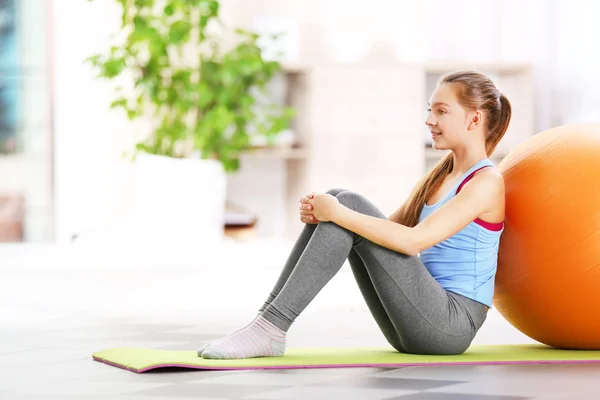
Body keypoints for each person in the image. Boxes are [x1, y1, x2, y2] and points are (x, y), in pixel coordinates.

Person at [197, 70, 511, 359]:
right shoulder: (443, 174)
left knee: (346, 205)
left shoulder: (486, 182)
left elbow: (413, 242)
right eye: (429, 109)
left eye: (441, 111)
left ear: (474, 120)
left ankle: (269, 329)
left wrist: (338, 214)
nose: (429, 119)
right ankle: (266, 323)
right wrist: (329, 214)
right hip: (419, 320)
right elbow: (384, 233)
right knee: (341, 199)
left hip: (450, 325)